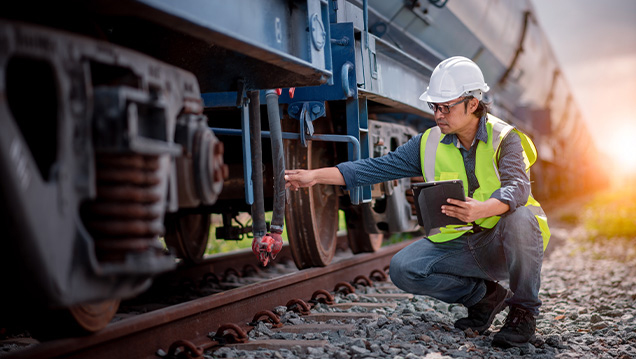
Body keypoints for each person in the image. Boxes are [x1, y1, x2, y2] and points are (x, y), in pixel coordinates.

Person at [284, 56, 550, 348]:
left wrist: (482, 209)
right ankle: (485, 298)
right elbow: (375, 168)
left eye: (446, 106)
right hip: (465, 244)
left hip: (505, 245)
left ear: (472, 104)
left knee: (521, 217)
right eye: (434, 106)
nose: (438, 114)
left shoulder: (506, 138)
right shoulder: (428, 142)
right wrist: (315, 176)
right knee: (403, 267)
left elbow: (517, 188)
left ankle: (523, 313)